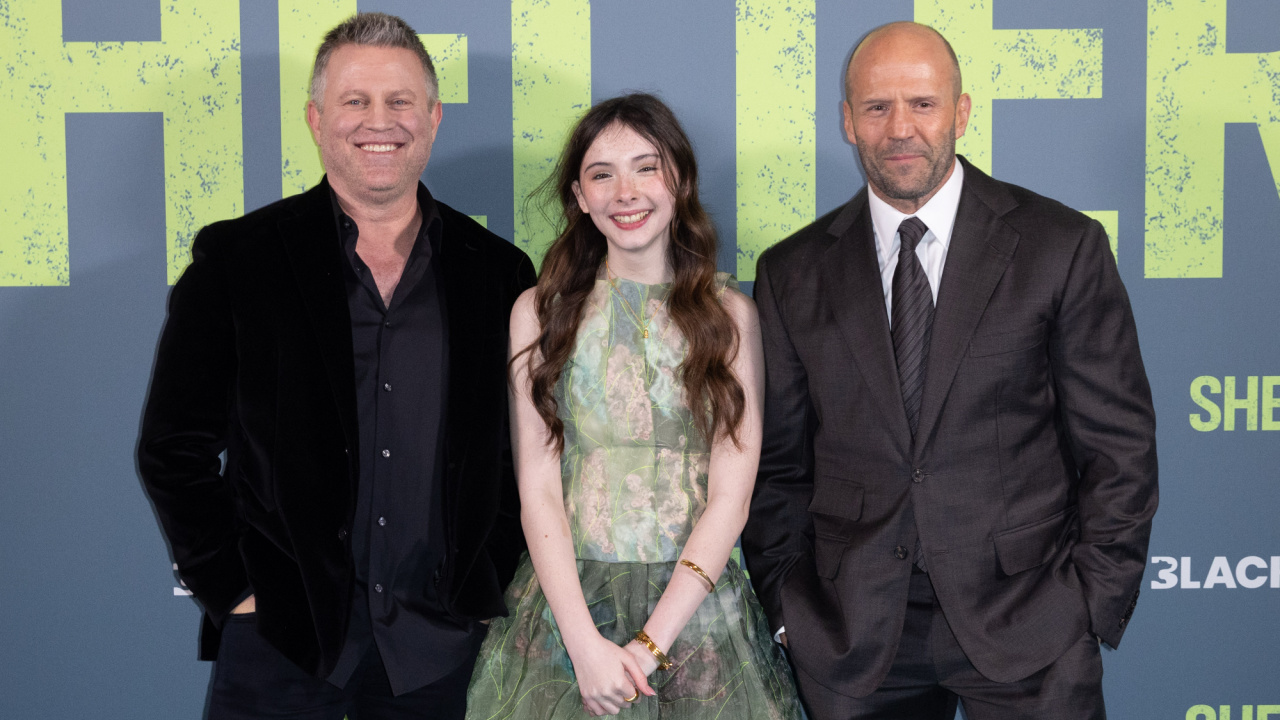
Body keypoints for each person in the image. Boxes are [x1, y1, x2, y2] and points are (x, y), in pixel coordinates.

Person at [741, 21, 1158, 720]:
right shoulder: (791, 271)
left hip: (1031, 621)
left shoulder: (1060, 246)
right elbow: (778, 466)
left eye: (923, 104)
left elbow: (1119, 450)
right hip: (854, 634)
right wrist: (789, 611)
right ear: (848, 121)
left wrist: (1091, 602)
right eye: (877, 107)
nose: (900, 127)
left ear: (961, 113)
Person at [137, 12, 535, 719]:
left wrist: (486, 580)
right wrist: (233, 589)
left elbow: (516, 455)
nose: (378, 121)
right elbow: (173, 449)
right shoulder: (240, 260)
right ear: (318, 120)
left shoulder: (497, 272)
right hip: (282, 642)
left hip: (439, 652)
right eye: (355, 101)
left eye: (400, 101)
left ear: (434, 118)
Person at [465, 93, 802, 719]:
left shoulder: (731, 318)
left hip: (698, 618)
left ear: (680, 180)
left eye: (647, 167)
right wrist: (585, 646)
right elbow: (536, 488)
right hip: (565, 616)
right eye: (602, 174)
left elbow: (732, 495)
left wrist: (648, 648)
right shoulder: (537, 314)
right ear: (578, 196)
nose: (626, 191)